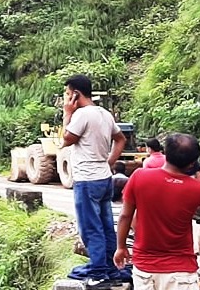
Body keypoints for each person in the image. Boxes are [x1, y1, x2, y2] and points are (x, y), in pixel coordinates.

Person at [115, 133, 200, 290]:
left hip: (146, 267)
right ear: (192, 163)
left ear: (165, 153)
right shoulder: (199, 188)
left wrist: (121, 247)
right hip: (181, 270)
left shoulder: (139, 176)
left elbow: (125, 215)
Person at [62, 75, 128, 284]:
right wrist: (109, 161)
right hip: (104, 178)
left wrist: (67, 113)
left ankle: (99, 273)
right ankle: (110, 267)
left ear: (76, 94)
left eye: (67, 93)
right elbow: (121, 139)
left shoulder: (81, 115)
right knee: (106, 224)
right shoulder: (105, 114)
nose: (65, 98)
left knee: (90, 227)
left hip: (87, 180)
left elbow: (66, 139)